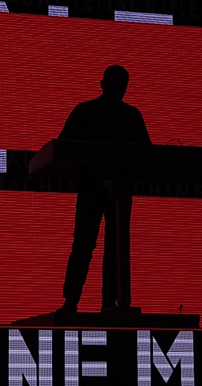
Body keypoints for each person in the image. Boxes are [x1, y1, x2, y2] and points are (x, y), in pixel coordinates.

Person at [58, 64, 151, 314]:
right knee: (100, 245)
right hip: (100, 188)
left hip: (107, 189)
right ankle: (100, 301)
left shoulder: (87, 111)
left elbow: (147, 154)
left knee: (97, 245)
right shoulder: (128, 115)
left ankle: (78, 300)